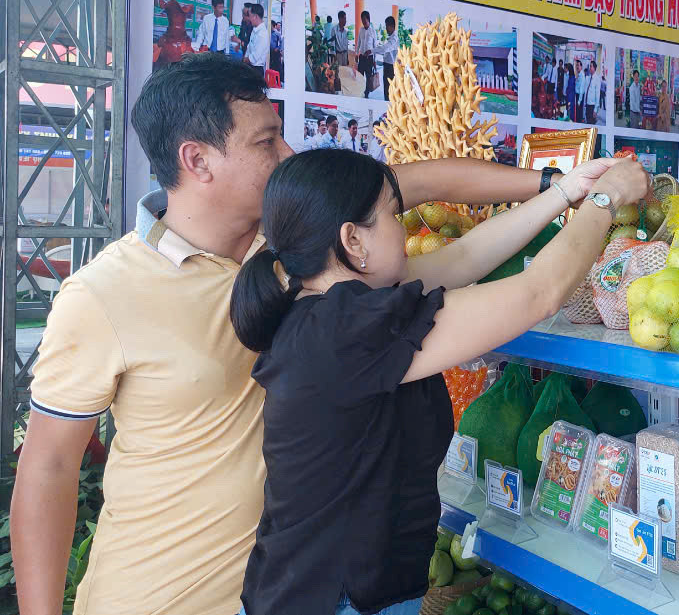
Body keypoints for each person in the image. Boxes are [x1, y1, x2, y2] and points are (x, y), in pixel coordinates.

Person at [10, 54, 600, 615]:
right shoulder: (102, 296)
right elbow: (49, 471)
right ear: (198, 160)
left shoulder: (301, 252)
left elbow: (419, 185)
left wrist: (553, 181)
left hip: (287, 584)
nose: (288, 151)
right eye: (266, 141)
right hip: (163, 596)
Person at [228, 149, 647, 615]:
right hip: (335, 599)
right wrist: (606, 201)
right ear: (353, 240)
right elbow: (539, 294)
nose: (403, 226)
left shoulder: (329, 304)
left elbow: (465, 255)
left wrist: (568, 191)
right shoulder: (346, 330)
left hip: (332, 588)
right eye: (393, 213)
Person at [244, 3, 270, 76]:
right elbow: (249, 47)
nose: (249, 19)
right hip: (249, 67)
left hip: (256, 70)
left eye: (250, 16)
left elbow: (254, 58)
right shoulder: (255, 30)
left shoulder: (262, 34)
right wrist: (245, 57)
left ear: (255, 16)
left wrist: (245, 60)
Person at [378, 15, 398, 101]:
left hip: (390, 68)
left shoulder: (394, 39)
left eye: (387, 26)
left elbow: (385, 49)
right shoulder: (391, 37)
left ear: (392, 26)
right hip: (387, 66)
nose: (386, 29)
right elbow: (387, 52)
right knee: (387, 89)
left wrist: (373, 50)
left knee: (389, 90)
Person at [357, 11, 377, 98]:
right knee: (360, 76)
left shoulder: (373, 31)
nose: (363, 21)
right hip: (361, 58)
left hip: (369, 58)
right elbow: (358, 42)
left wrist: (374, 61)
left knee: (369, 77)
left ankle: (366, 94)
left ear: (368, 19)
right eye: (362, 19)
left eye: (364, 19)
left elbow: (375, 47)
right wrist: (356, 54)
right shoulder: (361, 30)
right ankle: (360, 91)